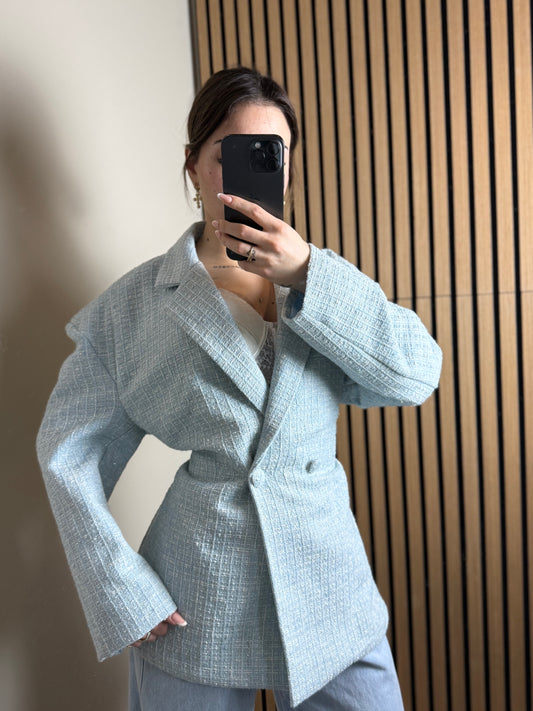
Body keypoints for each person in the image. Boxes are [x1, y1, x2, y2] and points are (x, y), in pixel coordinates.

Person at [37, 66, 442, 711]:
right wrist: (121, 590)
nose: (248, 173)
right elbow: (67, 449)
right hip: (196, 593)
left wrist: (306, 273)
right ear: (194, 166)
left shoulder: (321, 280)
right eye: (230, 154)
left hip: (327, 583)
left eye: (269, 154)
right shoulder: (135, 307)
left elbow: (416, 375)